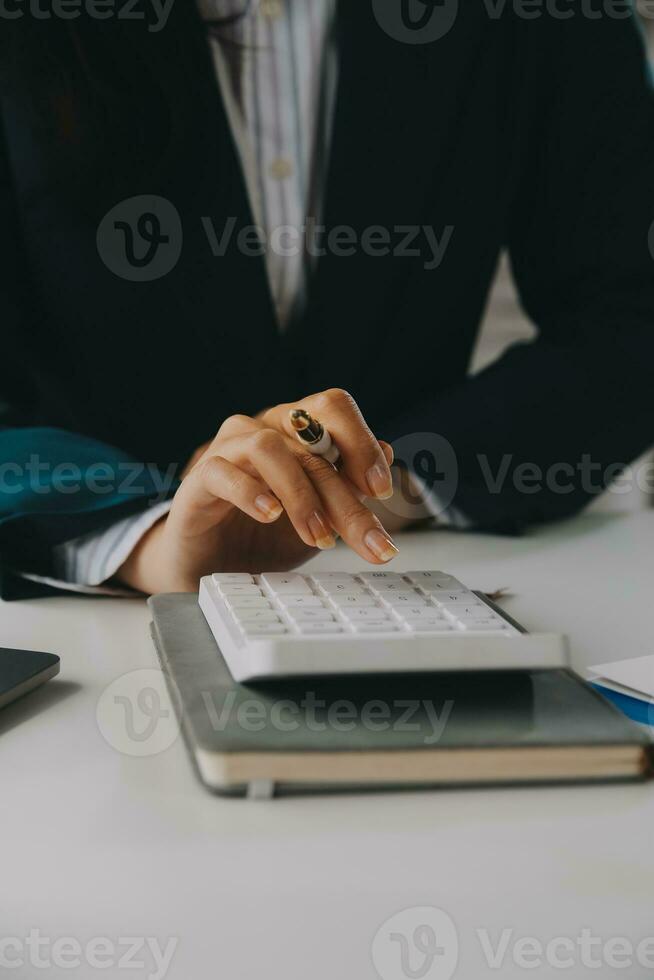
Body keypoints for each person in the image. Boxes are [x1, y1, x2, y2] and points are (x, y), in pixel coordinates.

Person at [1, 0, 653, 599]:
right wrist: (152, 539)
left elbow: (627, 323)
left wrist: (383, 484)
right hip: (91, 597)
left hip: (413, 575)